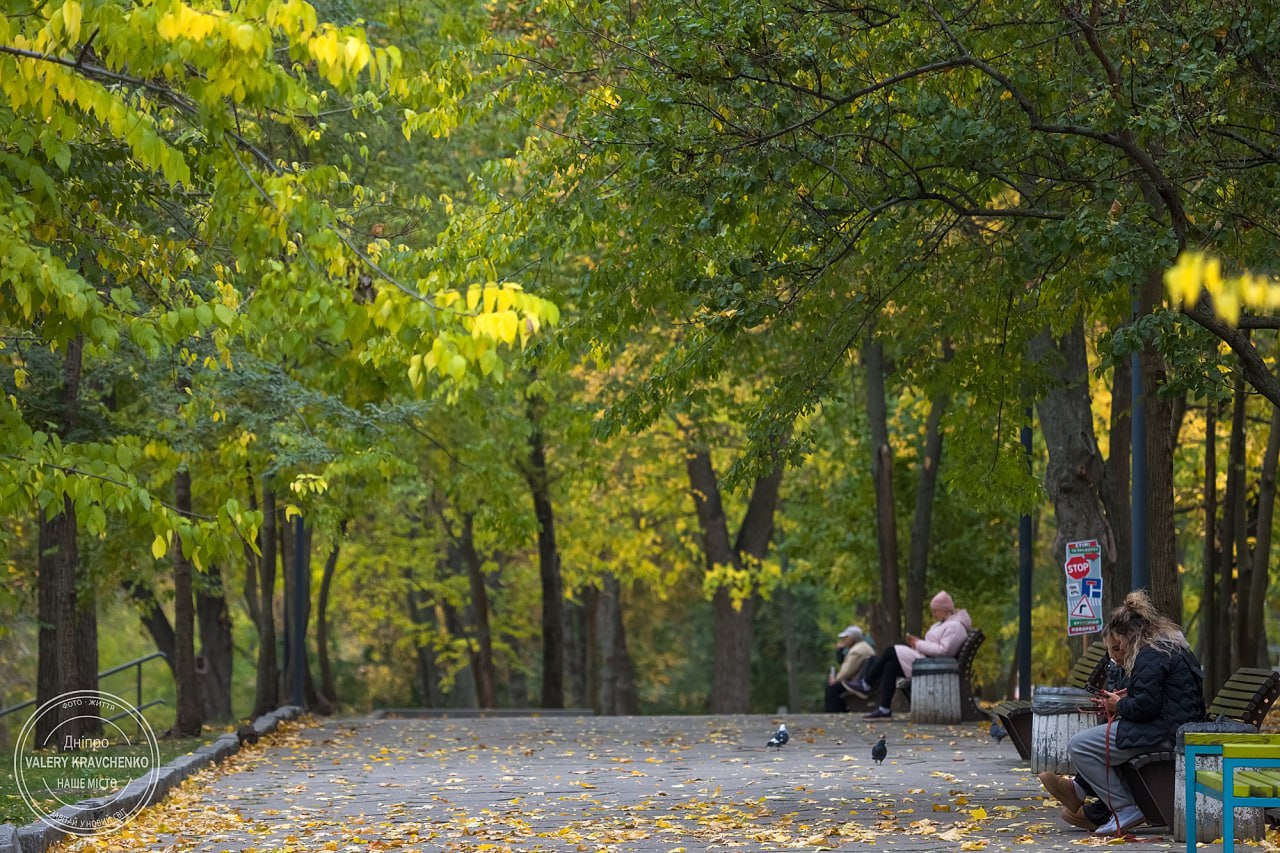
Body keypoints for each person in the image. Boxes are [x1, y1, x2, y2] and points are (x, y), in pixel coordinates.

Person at [1044, 591, 1205, 835]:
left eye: (1117, 645)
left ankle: (1124, 808)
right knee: (1095, 741)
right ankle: (1079, 791)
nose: (1117, 653)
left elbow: (1144, 708)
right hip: (1172, 727)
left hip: (1164, 733)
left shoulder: (1150, 654)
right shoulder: (1166, 647)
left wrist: (1117, 705)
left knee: (1080, 746)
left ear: (1127, 636)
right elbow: (1156, 698)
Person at [849, 590, 972, 720]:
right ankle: (884, 709)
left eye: (936, 611)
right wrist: (917, 642)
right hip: (928, 660)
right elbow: (936, 645)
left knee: (890, 651)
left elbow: (944, 650)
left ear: (945, 610)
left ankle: (866, 683)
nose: (934, 614)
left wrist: (918, 644)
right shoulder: (944, 624)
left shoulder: (954, 627)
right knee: (890, 666)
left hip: (933, 663)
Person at [824, 626, 874, 712]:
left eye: (845, 638)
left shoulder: (857, 651)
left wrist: (835, 680)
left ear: (852, 638)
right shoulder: (862, 647)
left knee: (831, 689)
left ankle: (835, 713)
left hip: (857, 682)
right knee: (834, 687)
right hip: (861, 680)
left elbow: (847, 671)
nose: (843, 640)